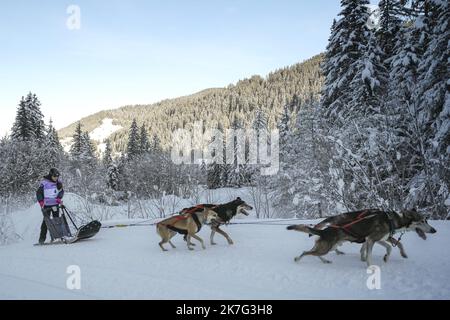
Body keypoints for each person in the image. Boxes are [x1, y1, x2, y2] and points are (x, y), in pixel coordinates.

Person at [36, 168, 64, 244]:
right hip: (47, 205)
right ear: (51, 175)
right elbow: (39, 193)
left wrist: (59, 198)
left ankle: (56, 238)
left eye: (57, 176)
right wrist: (41, 201)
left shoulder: (58, 182)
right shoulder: (44, 183)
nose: (56, 178)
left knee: (56, 221)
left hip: (55, 205)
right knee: (45, 222)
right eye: (55, 176)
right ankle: (41, 240)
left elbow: (61, 191)